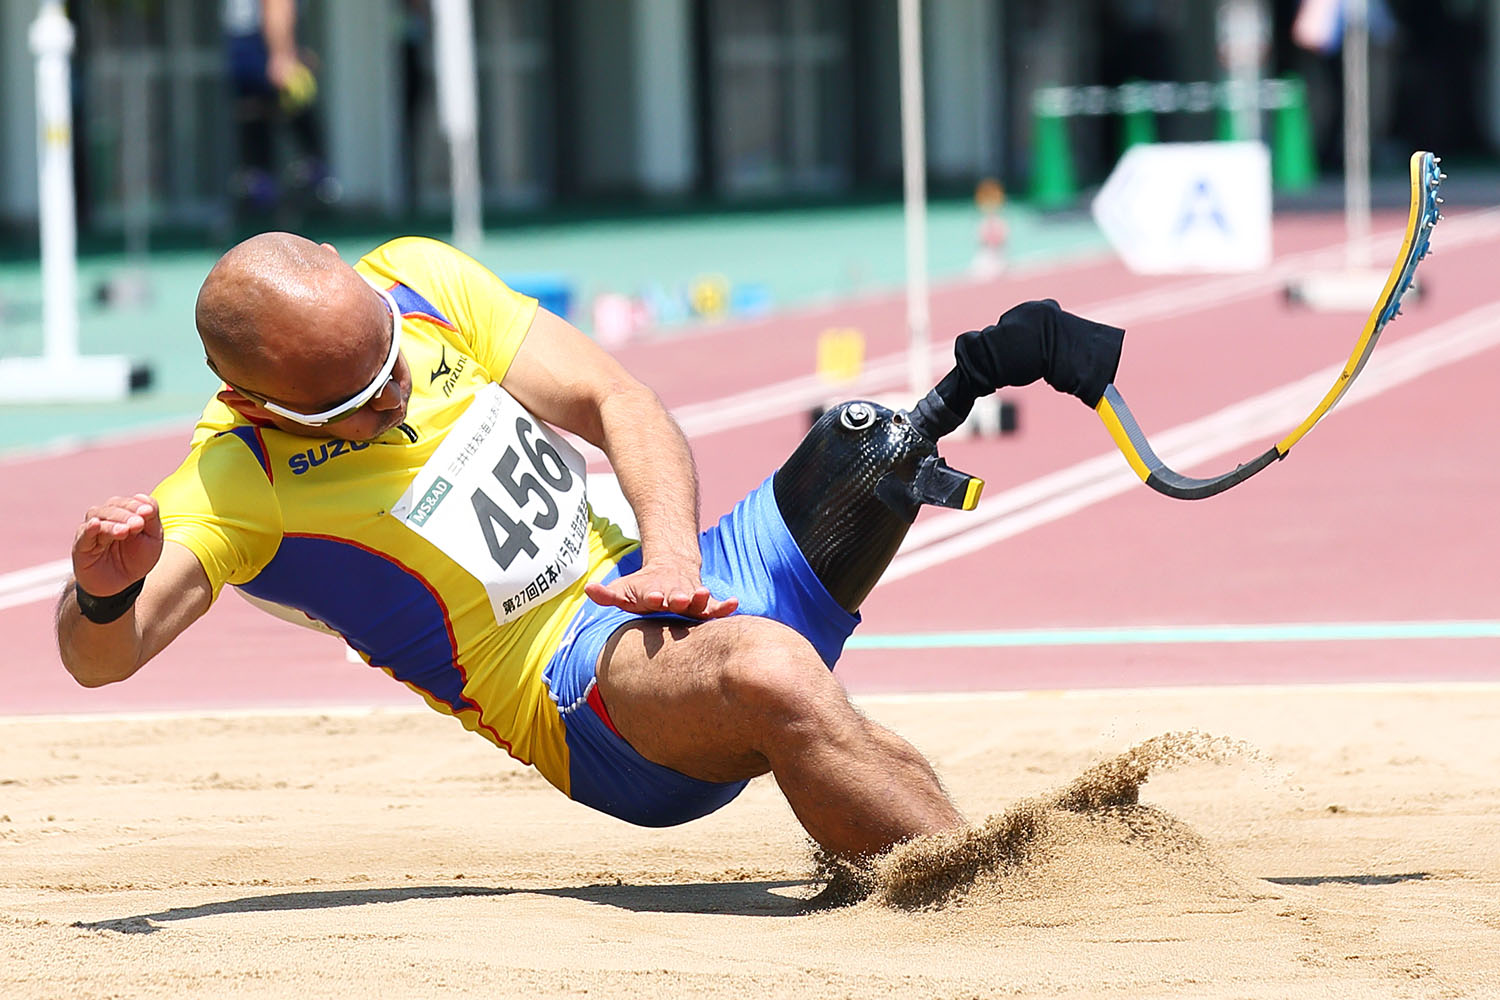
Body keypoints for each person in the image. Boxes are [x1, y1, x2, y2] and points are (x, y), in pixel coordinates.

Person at [56, 233, 1123, 870]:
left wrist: (671, 561)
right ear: (252, 397)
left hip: (668, 578)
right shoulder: (234, 480)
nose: (393, 398)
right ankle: (989, 891)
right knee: (768, 669)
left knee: (868, 442)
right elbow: (99, 656)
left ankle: (991, 360)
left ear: (351, 275)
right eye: (352, 404)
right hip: (579, 691)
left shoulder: (418, 281)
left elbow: (619, 398)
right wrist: (100, 594)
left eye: (389, 362)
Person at [223, 0, 339, 218]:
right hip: (258, 45)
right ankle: (273, 191)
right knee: (267, 118)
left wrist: (282, 52)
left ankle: (278, 188)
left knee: (264, 119)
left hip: (255, 45)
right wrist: (281, 53)